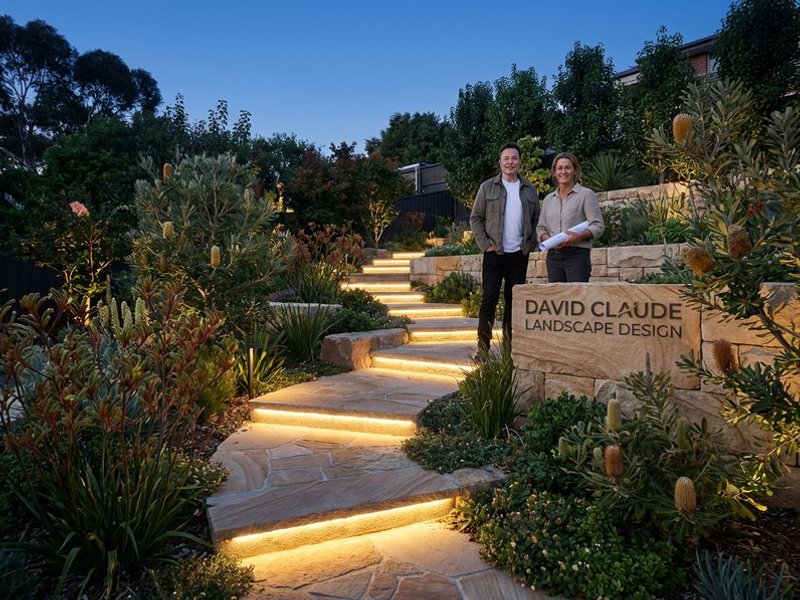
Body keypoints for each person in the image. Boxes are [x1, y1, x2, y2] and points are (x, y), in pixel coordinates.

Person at [469, 142, 540, 358]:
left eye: (514, 158)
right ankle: (483, 349)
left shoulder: (529, 189)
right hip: (494, 254)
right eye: (506, 158)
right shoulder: (487, 187)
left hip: (519, 255)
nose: (510, 162)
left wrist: (529, 244)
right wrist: (486, 245)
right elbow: (475, 218)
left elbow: (538, 218)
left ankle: (509, 349)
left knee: (513, 302)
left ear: (519, 162)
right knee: (489, 299)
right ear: (500, 162)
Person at [536, 152, 604, 282]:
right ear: (554, 172)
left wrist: (577, 237)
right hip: (553, 257)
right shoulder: (548, 199)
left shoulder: (586, 195)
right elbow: (540, 228)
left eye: (567, 167)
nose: (564, 171)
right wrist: (549, 239)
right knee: (556, 300)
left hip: (577, 256)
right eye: (560, 168)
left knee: (577, 299)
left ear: (574, 170)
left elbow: (598, 225)